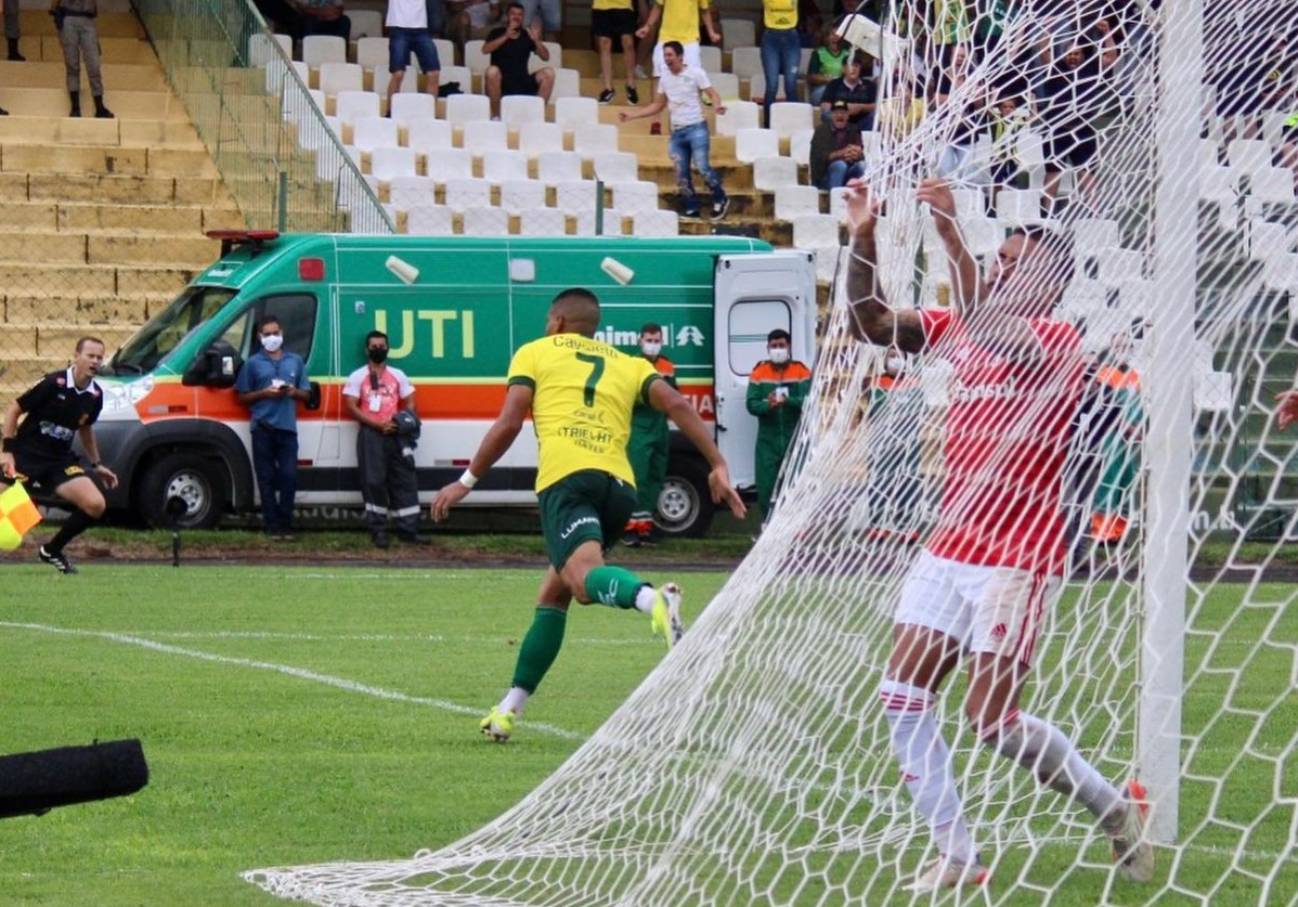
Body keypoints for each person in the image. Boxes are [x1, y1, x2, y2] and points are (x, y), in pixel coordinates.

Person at [841, 176, 1153, 891]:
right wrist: (863, 237)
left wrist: (950, 235)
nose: (1007, 268)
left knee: (992, 721)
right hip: (950, 546)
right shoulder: (963, 328)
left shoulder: (1054, 340)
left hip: (1019, 556)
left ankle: (1113, 808)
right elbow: (872, 323)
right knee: (902, 694)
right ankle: (958, 854)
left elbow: (992, 326)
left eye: (1019, 262)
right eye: (1001, 259)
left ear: (1054, 282)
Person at [431, 288, 746, 743]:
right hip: (618, 488)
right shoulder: (630, 363)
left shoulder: (535, 352)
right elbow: (677, 405)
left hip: (568, 479)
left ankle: (651, 600)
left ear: (557, 321)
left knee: (582, 581)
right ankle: (507, 710)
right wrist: (717, 464)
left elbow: (509, 420)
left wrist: (465, 482)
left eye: (547, 321)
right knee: (555, 594)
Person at [0, 337, 117, 574]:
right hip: (25, 455)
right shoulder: (54, 382)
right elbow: (14, 409)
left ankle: (52, 550)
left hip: (58, 461)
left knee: (95, 504)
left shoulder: (95, 396)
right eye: (90, 356)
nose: (95, 361)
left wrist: (97, 464)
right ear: (76, 356)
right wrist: (8, 452)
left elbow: (85, 428)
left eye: (99, 357)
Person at [620, 40, 729, 219]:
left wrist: (717, 106)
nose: (667, 59)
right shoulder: (665, 77)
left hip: (696, 127)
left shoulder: (695, 73)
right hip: (677, 132)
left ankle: (720, 198)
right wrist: (633, 115)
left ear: (680, 56)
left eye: (670, 55)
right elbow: (658, 105)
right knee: (681, 173)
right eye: (665, 56)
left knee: (702, 167)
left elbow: (712, 93)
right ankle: (692, 207)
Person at [343, 330, 424, 548]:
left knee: (404, 480)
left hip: (396, 435)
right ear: (366, 349)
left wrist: (401, 422)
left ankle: (408, 530)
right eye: (374, 346)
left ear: (388, 348)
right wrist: (375, 424)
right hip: (371, 435)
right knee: (373, 482)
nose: (378, 349)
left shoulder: (398, 374)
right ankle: (378, 531)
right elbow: (351, 405)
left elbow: (410, 401)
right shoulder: (357, 376)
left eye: (382, 346)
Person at [234, 315, 311, 540]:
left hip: (288, 429)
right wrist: (264, 393)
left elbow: (306, 393)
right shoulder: (252, 364)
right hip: (263, 428)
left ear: (282, 333)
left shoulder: (295, 361)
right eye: (267, 334)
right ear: (259, 337)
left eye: (275, 333)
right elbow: (242, 396)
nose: (272, 337)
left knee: (289, 476)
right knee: (265, 478)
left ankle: (286, 524)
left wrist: (292, 392)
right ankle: (272, 526)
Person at [746, 328, 811, 523]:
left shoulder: (801, 370)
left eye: (781, 345)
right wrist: (769, 405)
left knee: (796, 485)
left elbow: (809, 401)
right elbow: (751, 404)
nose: (778, 349)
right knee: (766, 487)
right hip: (768, 440)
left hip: (795, 438)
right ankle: (768, 527)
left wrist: (788, 401)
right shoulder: (759, 372)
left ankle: (795, 528)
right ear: (767, 348)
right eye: (774, 346)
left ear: (788, 346)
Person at [623, 323, 676, 546]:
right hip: (639, 427)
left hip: (659, 426)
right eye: (649, 340)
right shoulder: (632, 364)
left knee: (655, 476)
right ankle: (629, 528)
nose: (652, 344)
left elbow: (673, 394)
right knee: (637, 477)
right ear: (640, 340)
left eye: (656, 340)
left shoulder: (667, 365)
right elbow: (627, 396)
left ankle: (645, 527)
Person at [483, 2, 554, 119]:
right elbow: (485, 50)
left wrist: (536, 40)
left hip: (523, 82)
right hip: (502, 83)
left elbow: (546, 57)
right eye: (513, 14)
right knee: (492, 71)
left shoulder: (527, 35)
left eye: (520, 14)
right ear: (507, 16)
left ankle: (537, 117)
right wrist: (506, 36)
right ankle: (497, 116)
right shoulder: (497, 32)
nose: (516, 17)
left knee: (549, 73)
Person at [52, 0, 112, 119]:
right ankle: (75, 107)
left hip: (87, 18)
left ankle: (99, 106)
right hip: (68, 16)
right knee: (72, 65)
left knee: (94, 65)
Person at [635, 0, 720, 81]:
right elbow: (657, 7)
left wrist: (711, 32)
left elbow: (704, 10)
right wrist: (647, 26)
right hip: (666, 38)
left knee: (693, 77)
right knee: (659, 77)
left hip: (690, 40)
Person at [386, 0, 442, 110]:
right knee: (398, 74)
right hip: (398, 28)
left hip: (421, 30)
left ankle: (430, 113)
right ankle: (390, 112)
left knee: (434, 73)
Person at [810, 99, 865, 191]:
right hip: (825, 176)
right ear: (831, 115)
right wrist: (842, 153)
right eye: (836, 113)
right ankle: (836, 199)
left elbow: (860, 153)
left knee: (862, 165)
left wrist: (856, 154)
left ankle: (860, 199)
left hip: (848, 172)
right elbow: (819, 158)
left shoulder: (854, 129)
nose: (840, 116)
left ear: (848, 116)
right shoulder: (821, 131)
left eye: (843, 113)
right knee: (840, 165)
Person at [759, 0, 800, 124]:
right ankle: (768, 124)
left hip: (791, 37)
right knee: (772, 85)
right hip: (771, 37)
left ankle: (793, 123)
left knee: (791, 84)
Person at [592, 0, 640, 105]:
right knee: (604, 43)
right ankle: (608, 88)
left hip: (624, 6)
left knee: (628, 42)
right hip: (601, 6)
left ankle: (631, 84)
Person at [820, 53, 876, 128]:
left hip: (862, 121)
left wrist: (861, 107)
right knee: (826, 115)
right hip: (840, 119)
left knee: (874, 116)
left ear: (860, 68)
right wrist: (843, 108)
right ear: (844, 69)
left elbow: (877, 105)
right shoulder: (834, 84)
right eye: (850, 65)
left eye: (856, 66)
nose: (853, 69)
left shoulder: (869, 85)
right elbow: (824, 105)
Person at [805, 25, 850, 106]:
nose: (835, 37)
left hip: (843, 90)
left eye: (838, 34)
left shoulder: (848, 54)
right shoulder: (818, 53)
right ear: (826, 38)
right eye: (832, 34)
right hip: (822, 90)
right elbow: (811, 77)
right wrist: (830, 80)